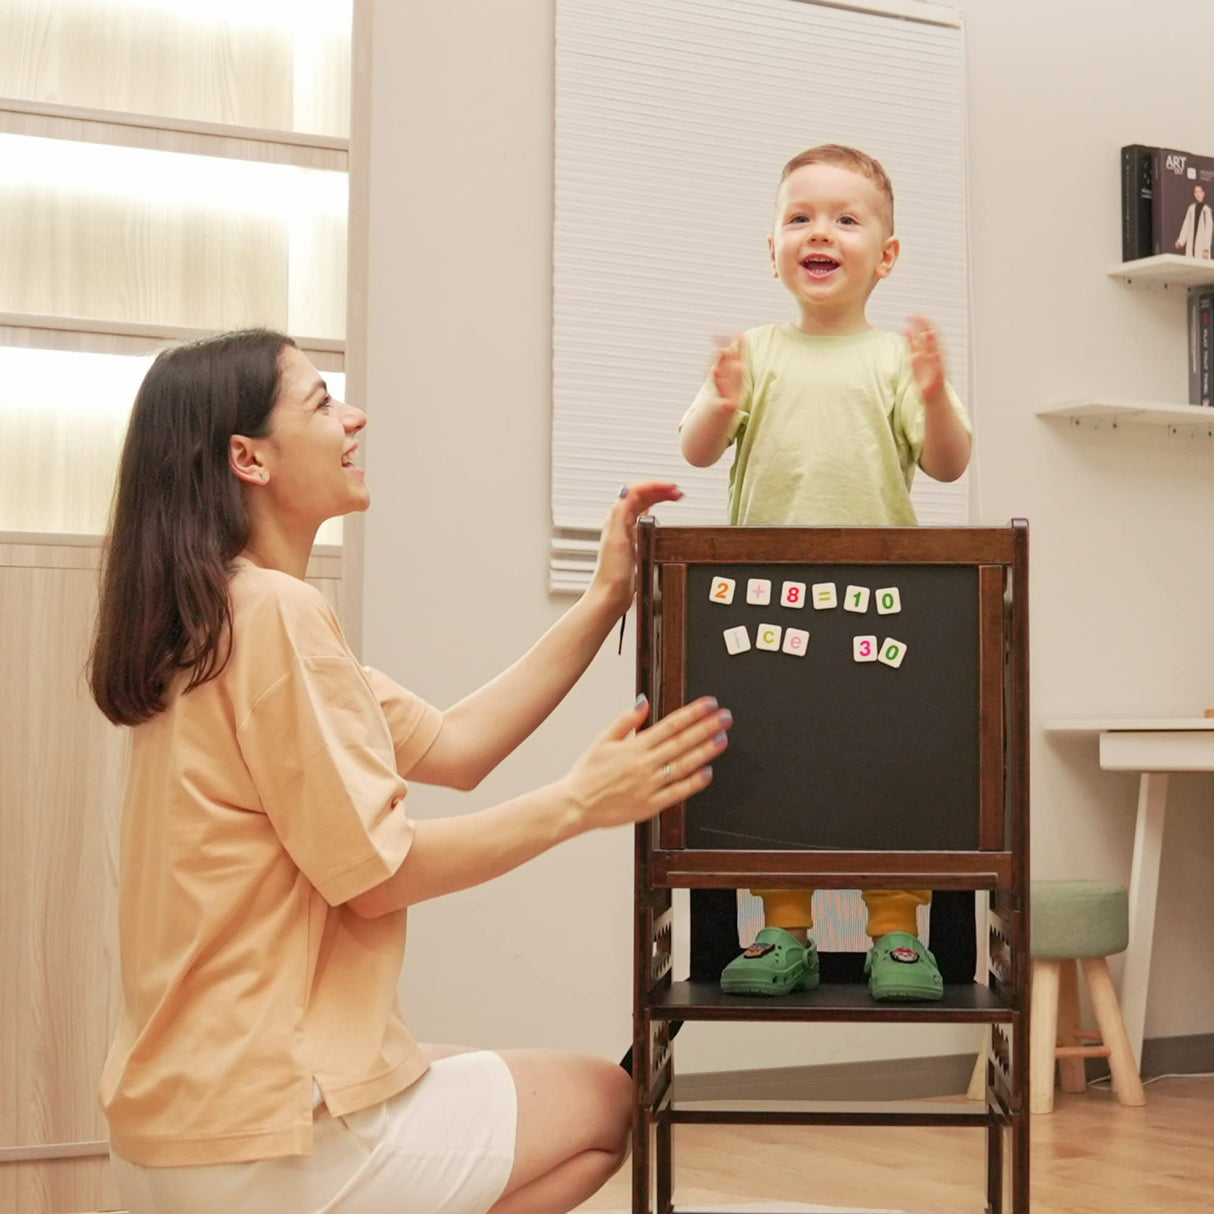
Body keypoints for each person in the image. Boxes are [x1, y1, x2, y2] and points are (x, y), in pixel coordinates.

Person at [88, 328, 732, 1214]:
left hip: (174, 1123)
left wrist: (603, 597)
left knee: (449, 1064)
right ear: (249, 458)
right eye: (321, 403)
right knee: (607, 1104)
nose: (354, 417)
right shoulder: (277, 615)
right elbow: (378, 878)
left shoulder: (209, 616)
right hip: (265, 1136)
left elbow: (459, 746)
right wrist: (581, 801)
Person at [678, 144, 971, 1002]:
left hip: (881, 604)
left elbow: (949, 466)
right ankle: (784, 929)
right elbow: (695, 449)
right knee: (777, 764)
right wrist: (722, 399)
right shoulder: (760, 353)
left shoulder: (891, 359)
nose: (821, 232)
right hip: (766, 605)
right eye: (801, 217)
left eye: (847, 219)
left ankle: (896, 933)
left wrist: (938, 391)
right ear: (770, 246)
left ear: (886, 256)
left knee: (885, 762)